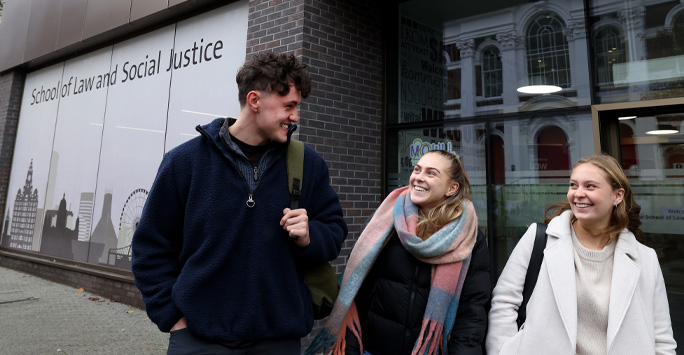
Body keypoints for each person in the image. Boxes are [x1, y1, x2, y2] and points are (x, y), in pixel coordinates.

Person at [131, 52, 348, 354]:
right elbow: (149, 248)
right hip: (197, 339)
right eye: (290, 106)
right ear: (255, 100)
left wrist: (311, 234)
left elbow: (335, 231)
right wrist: (171, 316)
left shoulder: (308, 165)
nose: (296, 116)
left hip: (278, 341)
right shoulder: (185, 162)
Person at [486, 154, 677, 355]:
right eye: (573, 185)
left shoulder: (645, 258)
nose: (578, 193)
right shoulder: (538, 238)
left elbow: (661, 338)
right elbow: (504, 303)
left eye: (590, 186)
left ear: (617, 196)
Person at [304, 150, 491, 355]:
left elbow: (472, 310)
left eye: (431, 173)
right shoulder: (384, 224)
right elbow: (357, 293)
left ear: (452, 188)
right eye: (417, 170)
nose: (418, 177)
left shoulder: (468, 238)